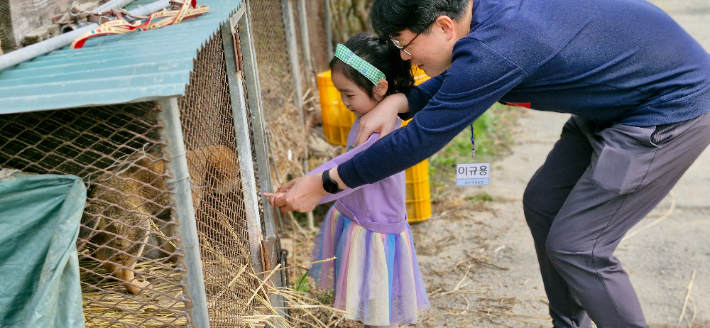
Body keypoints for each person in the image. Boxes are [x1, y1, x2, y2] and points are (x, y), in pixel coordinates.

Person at [272, 0, 710, 327]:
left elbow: (423, 138)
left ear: (443, 24)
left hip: (668, 108)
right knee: (543, 202)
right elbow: (466, 69)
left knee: (580, 246)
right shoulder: (481, 18)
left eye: (406, 46)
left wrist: (326, 183)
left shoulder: (500, 42)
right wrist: (404, 99)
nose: (406, 58)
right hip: (618, 100)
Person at [266, 33, 430, 328]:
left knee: (378, 306)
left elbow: (350, 168)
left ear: (380, 88)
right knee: (367, 299)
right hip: (359, 217)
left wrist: (311, 186)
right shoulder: (369, 115)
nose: (344, 102)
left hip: (375, 227)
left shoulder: (382, 131)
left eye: (349, 94)